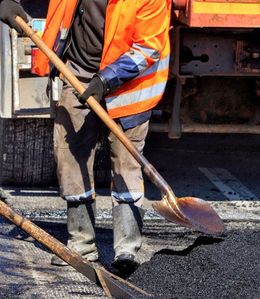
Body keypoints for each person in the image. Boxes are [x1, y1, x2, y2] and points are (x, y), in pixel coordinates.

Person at [0, 0, 171, 275]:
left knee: (126, 161)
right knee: (70, 153)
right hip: (76, 71)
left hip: (130, 84)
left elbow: (148, 48)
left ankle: (126, 249)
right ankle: (82, 244)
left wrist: (105, 81)